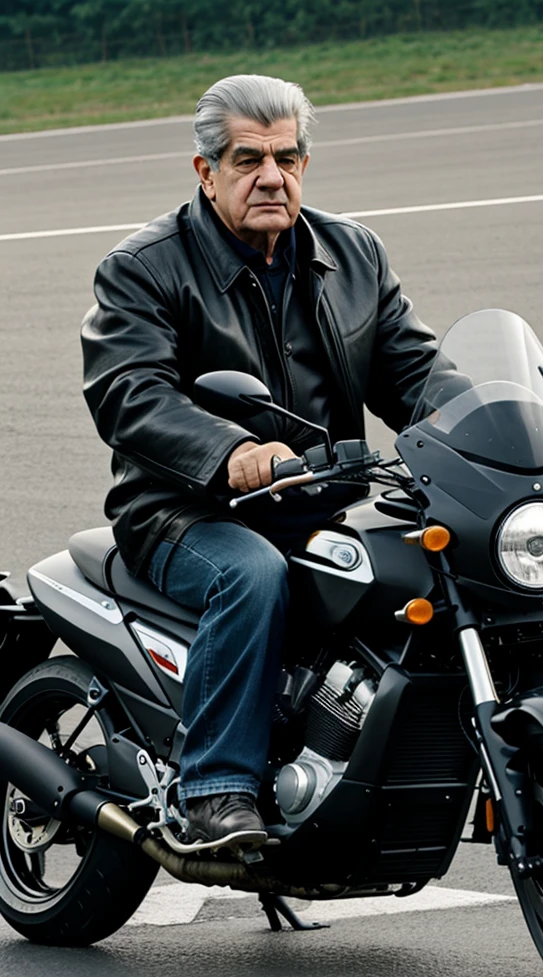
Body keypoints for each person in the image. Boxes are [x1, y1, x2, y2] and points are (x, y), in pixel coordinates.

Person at [81, 74, 437, 851]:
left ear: (306, 162)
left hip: (315, 501)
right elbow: (128, 391)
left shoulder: (354, 254)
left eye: (288, 157)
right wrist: (231, 451)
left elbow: (414, 371)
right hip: (182, 513)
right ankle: (215, 789)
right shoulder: (146, 266)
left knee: (431, 569)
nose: (272, 177)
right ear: (206, 172)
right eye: (248, 159)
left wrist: (496, 424)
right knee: (251, 573)